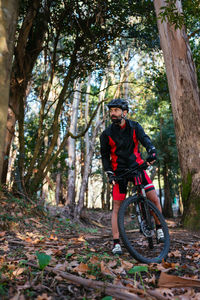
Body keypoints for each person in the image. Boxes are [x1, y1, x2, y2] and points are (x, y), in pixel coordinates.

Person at [100, 98, 164, 255]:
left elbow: (146, 141)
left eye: (116, 110)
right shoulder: (106, 134)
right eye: (111, 111)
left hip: (137, 168)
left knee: (153, 198)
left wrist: (152, 151)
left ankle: (160, 228)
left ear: (125, 113)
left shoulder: (135, 127)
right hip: (119, 173)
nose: (112, 113)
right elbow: (104, 156)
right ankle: (116, 244)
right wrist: (109, 172)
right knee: (116, 208)